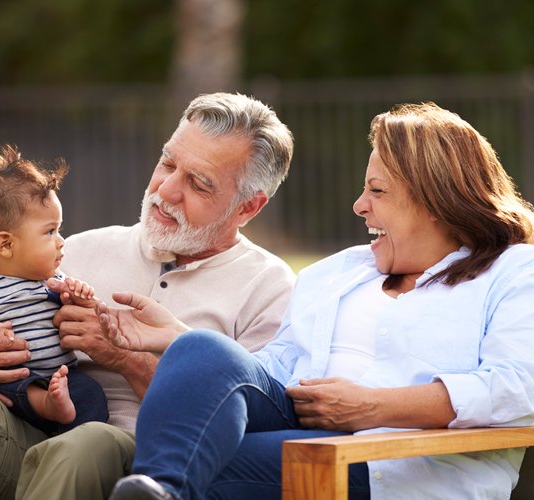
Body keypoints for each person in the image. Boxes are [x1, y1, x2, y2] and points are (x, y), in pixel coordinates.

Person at [98, 102, 534, 500]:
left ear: (436, 202)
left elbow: (518, 386)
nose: (359, 205)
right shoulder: (339, 272)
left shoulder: (512, 272)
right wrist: (182, 341)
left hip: (401, 464)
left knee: (213, 462)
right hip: (301, 420)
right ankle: (162, 490)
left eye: (377, 192)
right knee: (200, 348)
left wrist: (371, 407)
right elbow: (282, 364)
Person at [0, 91, 296, 500]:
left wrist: (122, 358)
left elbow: (249, 425)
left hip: (136, 463)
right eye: (168, 163)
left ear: (248, 207)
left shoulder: (269, 289)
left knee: (86, 444)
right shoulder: (75, 249)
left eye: (198, 183)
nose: (167, 190)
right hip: (27, 432)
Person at [0, 145, 108, 436]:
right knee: (8, 386)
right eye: (50, 231)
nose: (61, 241)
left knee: (90, 392)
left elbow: (77, 313)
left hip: (61, 376)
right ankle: (47, 406)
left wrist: (79, 296)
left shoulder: (52, 280)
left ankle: (73, 437)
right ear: (5, 244)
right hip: (12, 382)